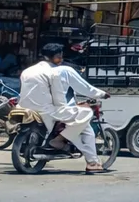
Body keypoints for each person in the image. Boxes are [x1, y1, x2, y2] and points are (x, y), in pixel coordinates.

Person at [18, 43, 109, 174]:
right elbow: (61, 96)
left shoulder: (28, 71)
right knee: (85, 118)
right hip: (48, 110)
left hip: (26, 108)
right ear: (59, 57)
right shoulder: (59, 72)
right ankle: (89, 160)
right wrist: (100, 95)